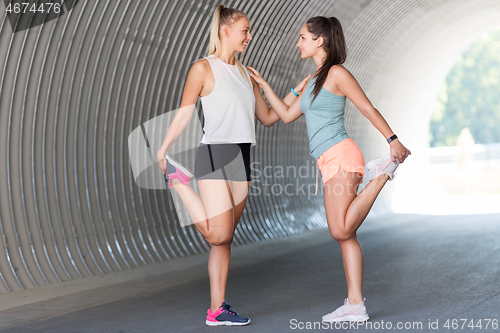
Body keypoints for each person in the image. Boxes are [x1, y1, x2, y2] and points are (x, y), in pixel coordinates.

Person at [246, 16, 411, 322]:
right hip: (327, 160)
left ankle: (382, 173)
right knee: (345, 236)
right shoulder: (313, 80)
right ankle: (355, 305)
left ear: (319, 40)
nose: (298, 43)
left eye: (303, 37)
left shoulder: (336, 73)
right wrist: (261, 85)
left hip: (341, 155)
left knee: (340, 229)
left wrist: (392, 140)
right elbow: (276, 116)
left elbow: (366, 106)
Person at [156, 4, 309, 326]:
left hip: (242, 155)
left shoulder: (244, 72)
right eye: (245, 31)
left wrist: (296, 91)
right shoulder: (202, 68)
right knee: (217, 235)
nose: (249, 37)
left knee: (225, 239)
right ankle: (179, 182)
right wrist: (164, 148)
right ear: (226, 31)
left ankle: (217, 309)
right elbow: (184, 112)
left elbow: (268, 118)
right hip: (214, 152)